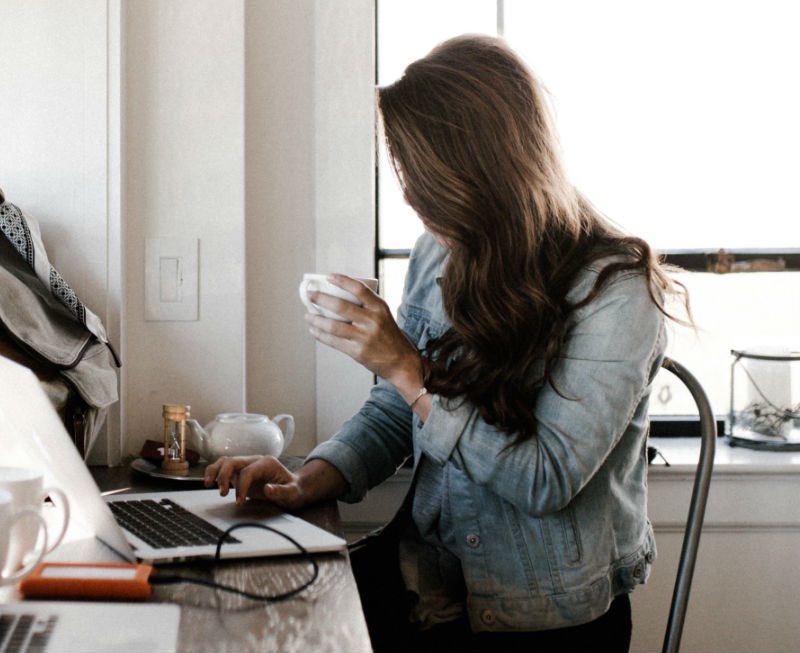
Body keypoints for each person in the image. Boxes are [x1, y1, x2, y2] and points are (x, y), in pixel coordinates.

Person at [204, 34, 690, 653]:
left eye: (421, 177)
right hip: (427, 580)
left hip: (540, 617)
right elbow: (394, 409)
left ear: (483, 171)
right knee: (251, 617)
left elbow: (544, 480)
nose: (410, 196)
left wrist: (407, 369)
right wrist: (309, 479)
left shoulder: (616, 294)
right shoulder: (442, 250)